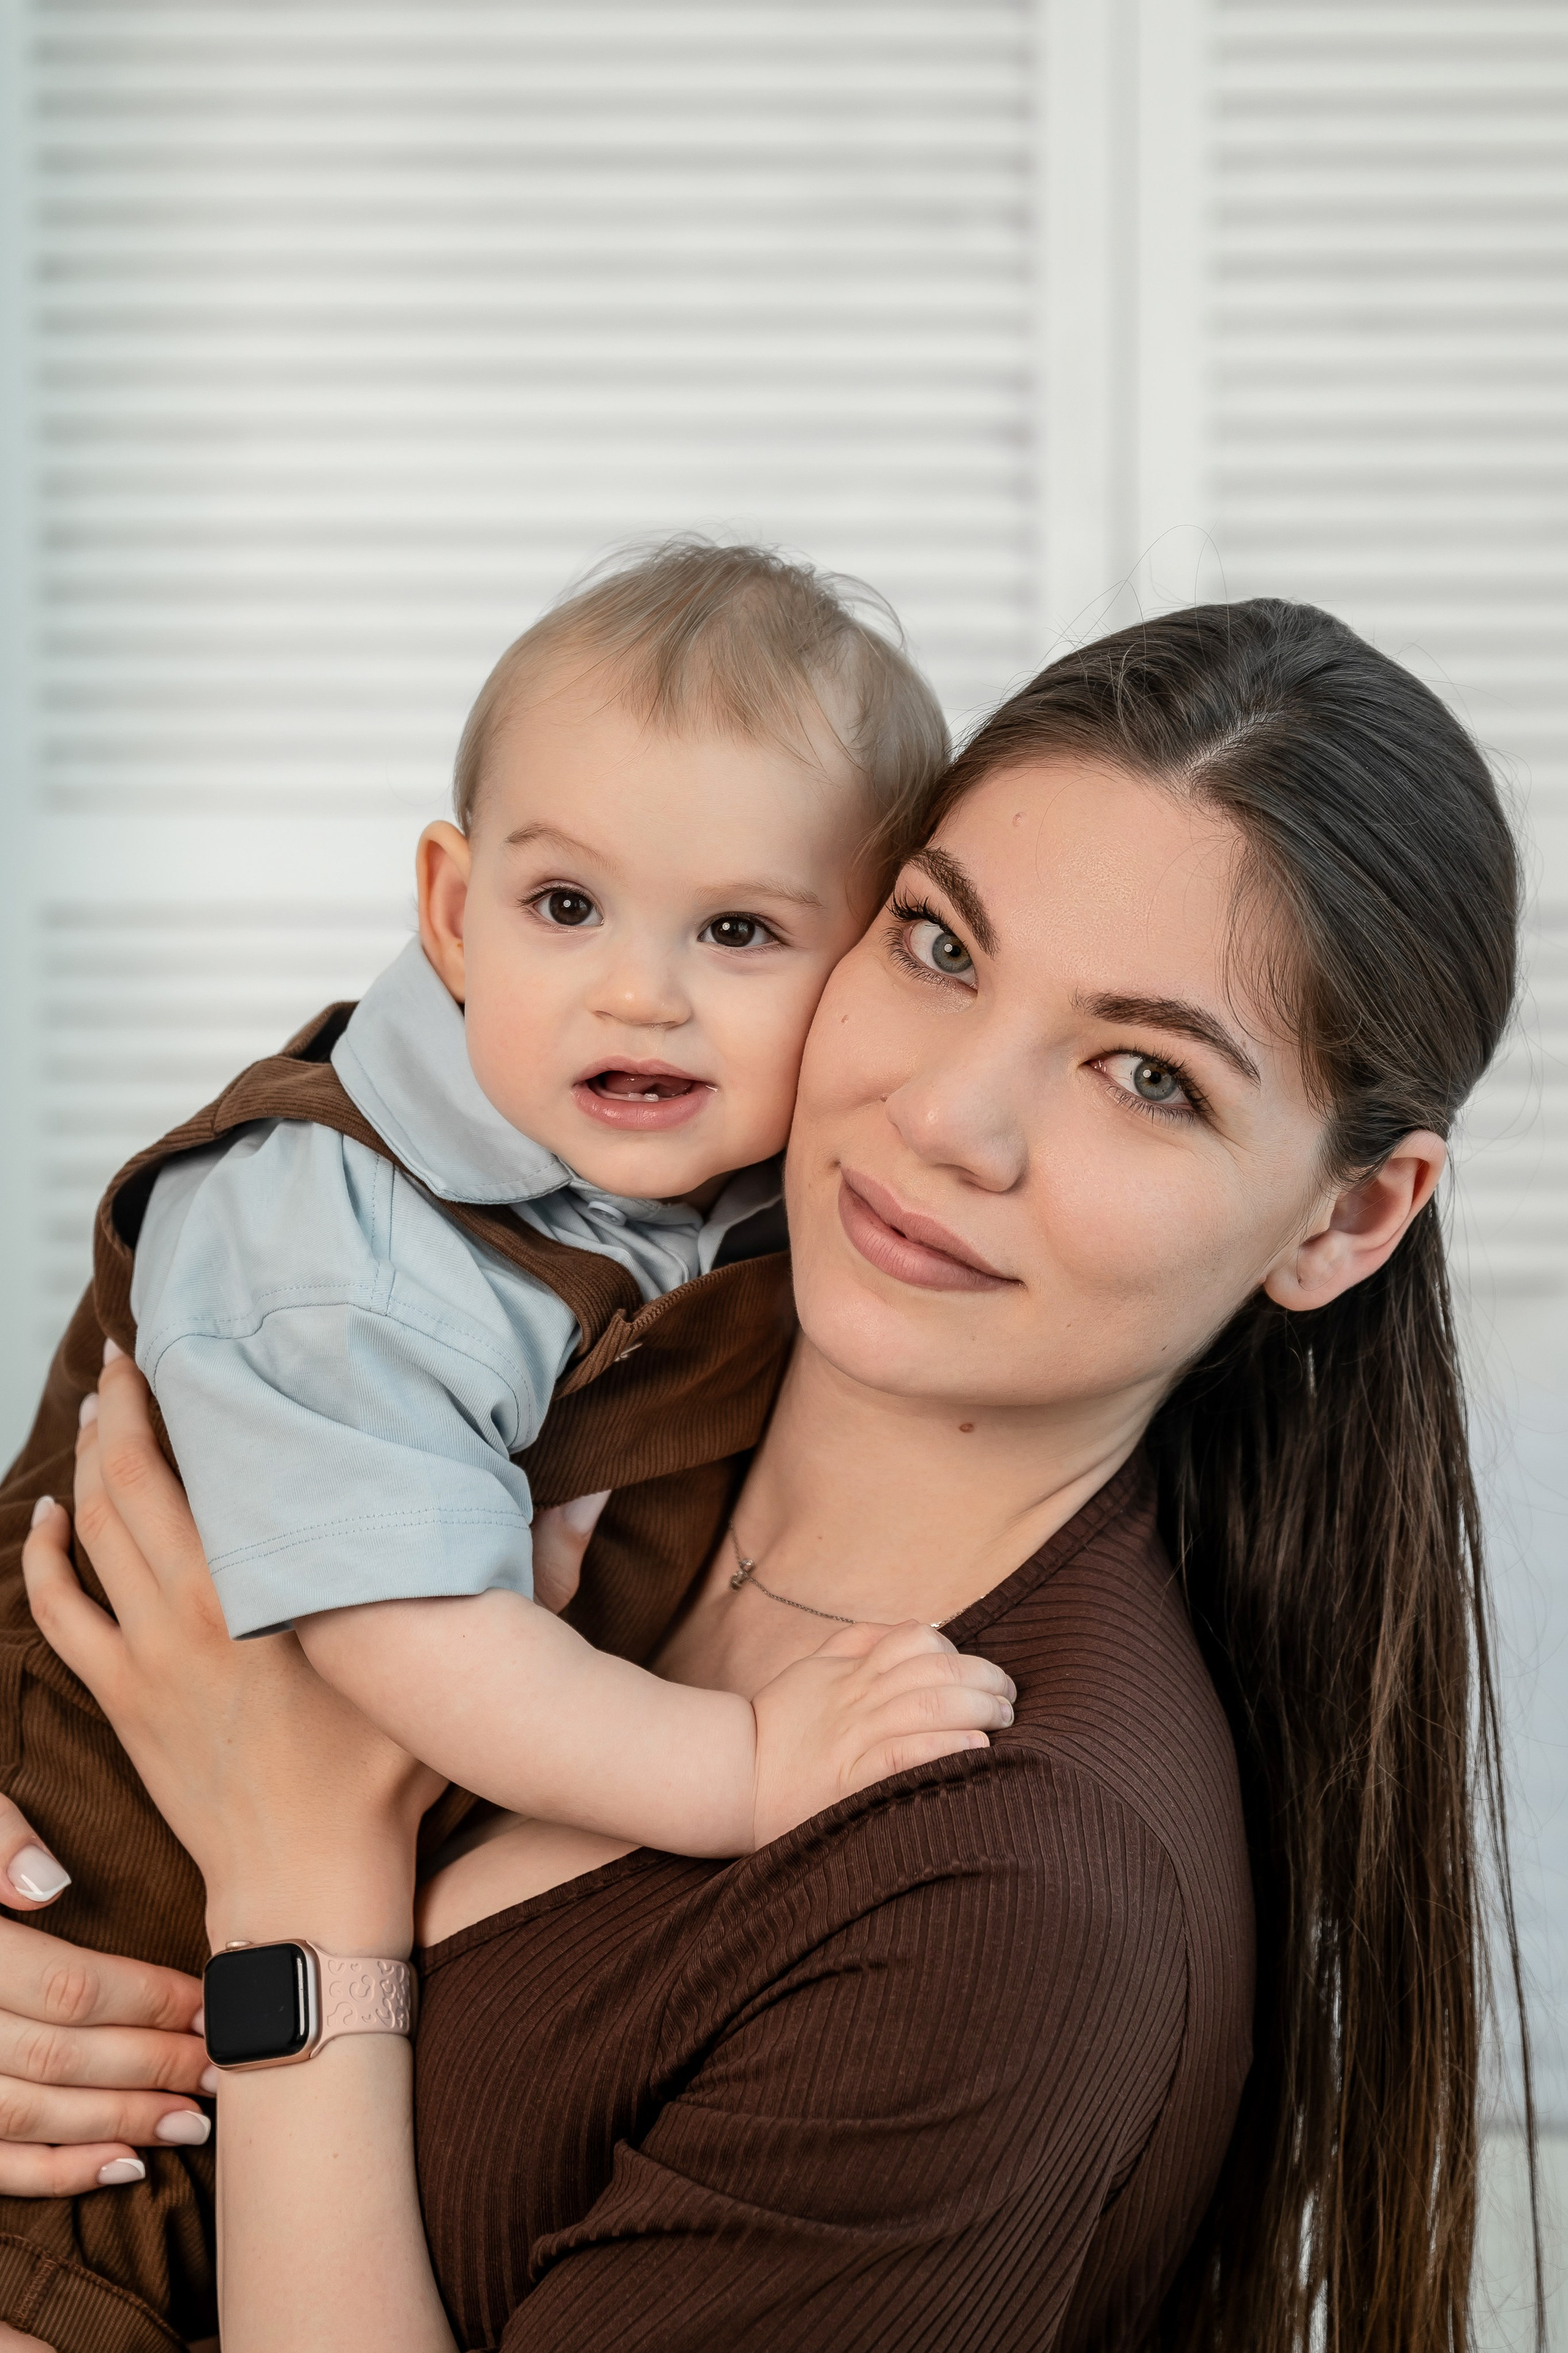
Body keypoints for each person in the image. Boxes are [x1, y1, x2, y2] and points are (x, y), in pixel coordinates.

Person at [4, 599, 1539, 2352]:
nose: (946, 1116)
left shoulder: (1020, 1898)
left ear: (1351, 1218)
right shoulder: (529, 1333)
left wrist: (296, 1896)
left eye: (1146, 1076)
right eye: (940, 947)